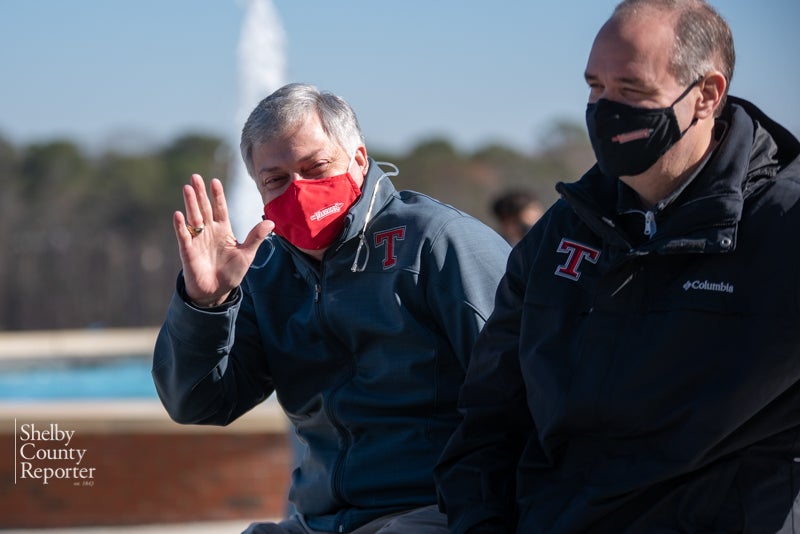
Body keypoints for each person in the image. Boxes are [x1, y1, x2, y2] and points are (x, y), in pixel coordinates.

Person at [435, 0, 800, 532]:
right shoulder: (561, 232)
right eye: (595, 88)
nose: (606, 110)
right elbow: (490, 417)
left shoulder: (784, 226)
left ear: (706, 95)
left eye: (631, 91)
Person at [151, 83, 510, 534]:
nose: (299, 190)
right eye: (276, 180)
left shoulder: (439, 243)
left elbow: (524, 390)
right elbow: (197, 403)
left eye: (315, 167)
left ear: (359, 159)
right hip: (321, 521)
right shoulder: (263, 271)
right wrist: (206, 304)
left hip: (436, 510)